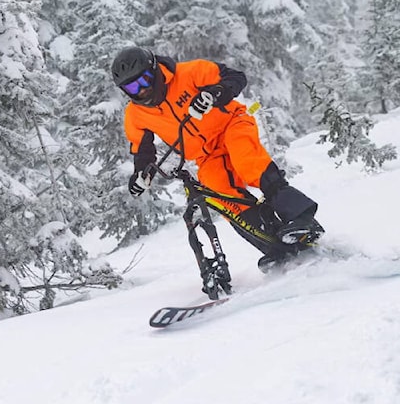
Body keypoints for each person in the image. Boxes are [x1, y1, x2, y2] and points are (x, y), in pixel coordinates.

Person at [111, 46, 323, 275]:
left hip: (231, 124)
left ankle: (301, 218)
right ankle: (274, 244)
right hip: (207, 154)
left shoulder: (190, 72)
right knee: (220, 194)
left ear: (154, 69)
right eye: (132, 87)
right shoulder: (136, 114)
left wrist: (214, 94)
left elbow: (235, 78)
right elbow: (143, 150)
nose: (142, 90)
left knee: (247, 162)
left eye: (145, 80)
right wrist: (142, 174)